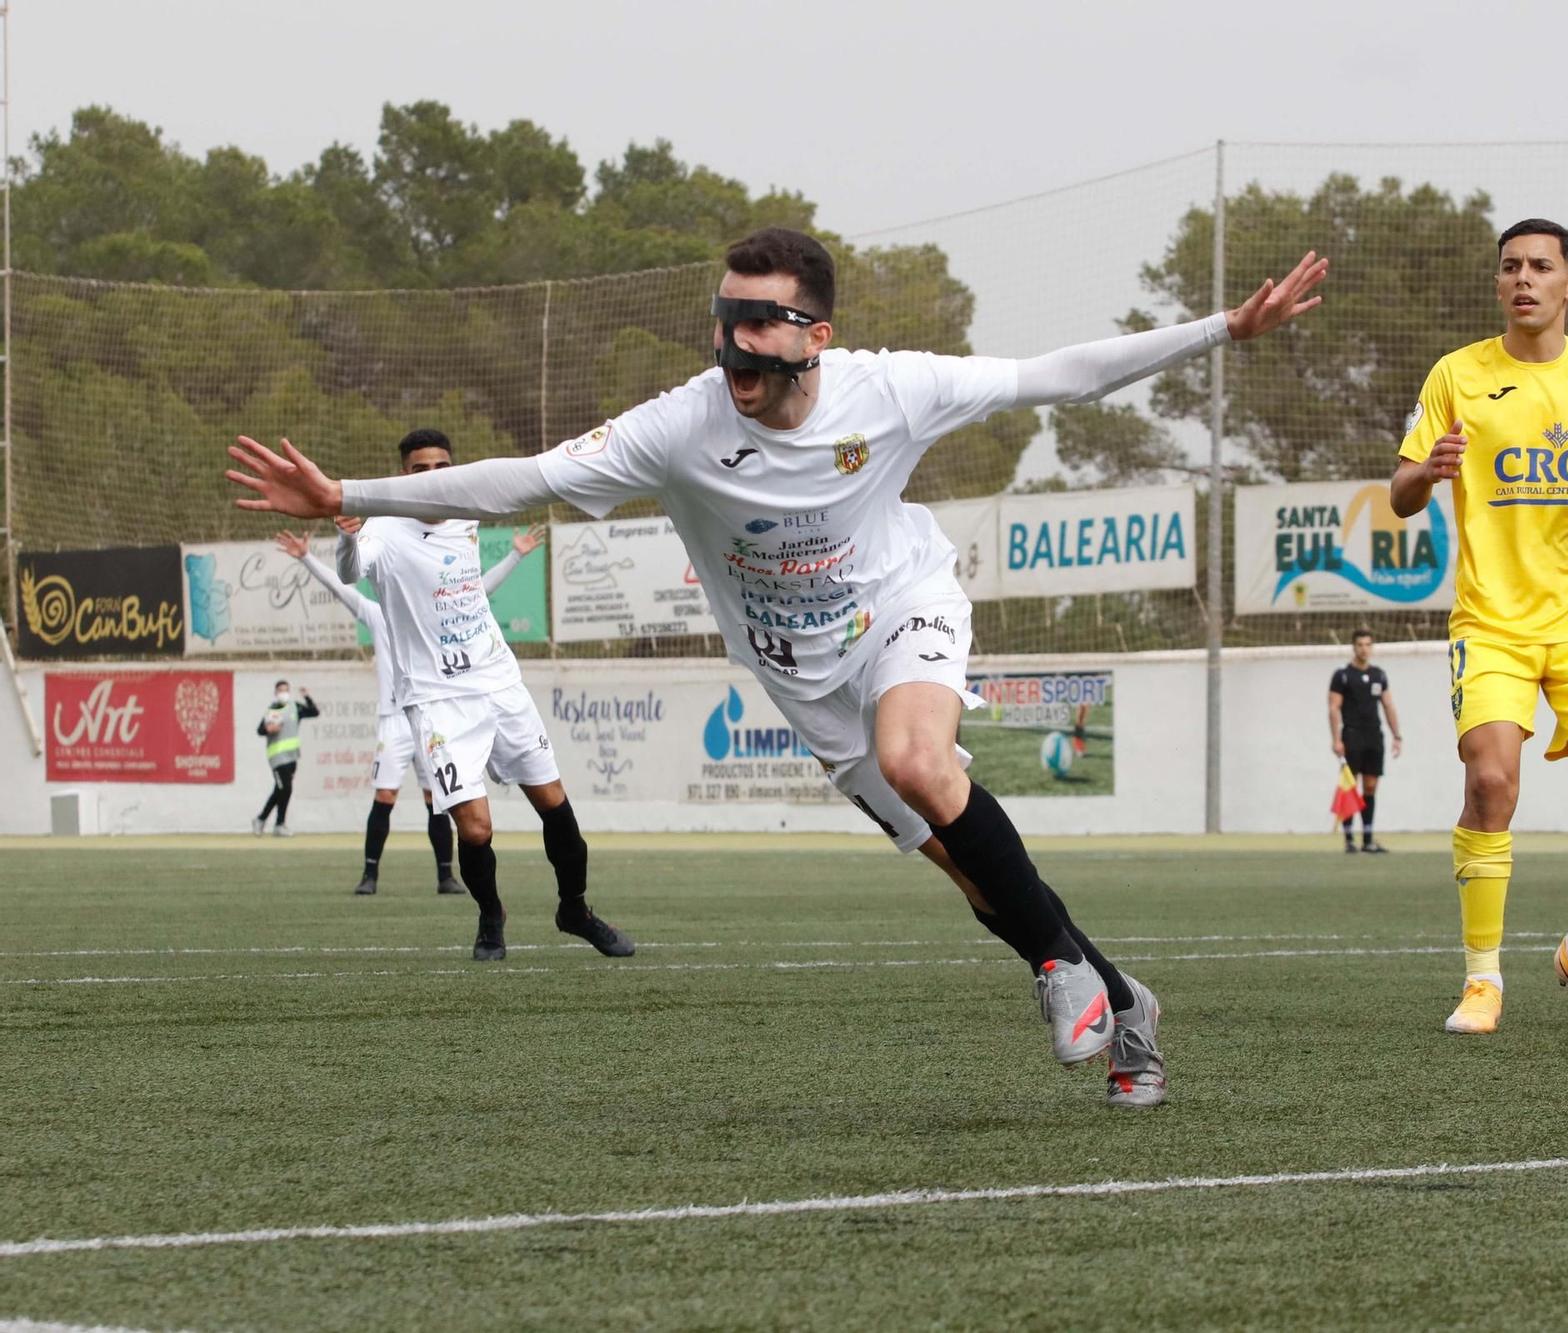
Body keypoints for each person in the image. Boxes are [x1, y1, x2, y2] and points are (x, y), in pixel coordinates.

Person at [227, 228, 1326, 1107]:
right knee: (965, 868)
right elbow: (519, 481)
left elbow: (1061, 377)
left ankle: (1060, 972)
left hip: (902, 609)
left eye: (761, 321)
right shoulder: (679, 427)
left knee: (919, 760)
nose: (735, 343)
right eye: (724, 319)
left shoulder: (891, 388)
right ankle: (1125, 998)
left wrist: (1224, 328)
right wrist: (350, 500)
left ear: (816, 333)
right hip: (801, 679)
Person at [1390, 218, 1568, 1036]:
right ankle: (1483, 978)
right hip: (1493, 621)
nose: (1524, 278)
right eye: (1511, 266)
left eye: (1541, 267)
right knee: (1490, 782)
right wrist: (1428, 472)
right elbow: (1403, 490)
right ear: (1499, 283)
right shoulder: (1456, 375)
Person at [331, 427, 632, 962]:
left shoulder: (467, 507)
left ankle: (576, 910)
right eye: (419, 470)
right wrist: (348, 536)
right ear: (403, 476)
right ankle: (491, 915)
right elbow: (352, 570)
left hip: (498, 682)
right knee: (475, 828)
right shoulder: (382, 527)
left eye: (441, 465)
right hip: (438, 699)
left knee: (554, 804)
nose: (433, 477)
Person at [276, 519, 546, 896]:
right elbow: (341, 586)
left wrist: (516, 554)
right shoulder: (376, 614)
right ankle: (369, 874)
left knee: (436, 800)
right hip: (395, 719)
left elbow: (481, 588)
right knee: (384, 796)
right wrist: (307, 559)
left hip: (434, 715)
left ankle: (444, 875)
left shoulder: (437, 608)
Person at [1327, 628, 1401, 853]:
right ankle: (1349, 839)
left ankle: (1368, 839)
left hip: (1373, 736)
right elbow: (1333, 707)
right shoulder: (1342, 675)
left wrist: (1397, 735)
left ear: (1372, 647)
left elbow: (1388, 705)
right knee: (1350, 785)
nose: (1364, 649)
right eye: (1360, 645)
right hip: (1352, 735)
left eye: (1368, 645)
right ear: (1353, 647)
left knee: (1370, 785)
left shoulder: (1379, 675)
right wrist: (1336, 739)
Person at [252, 679, 318, 836]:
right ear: (276, 693)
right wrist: (269, 729)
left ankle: (261, 819)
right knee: (286, 788)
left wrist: (307, 697)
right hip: (277, 757)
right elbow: (260, 730)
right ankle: (279, 824)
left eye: (286, 690)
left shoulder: (295, 707)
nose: (284, 693)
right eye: (281, 690)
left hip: (292, 756)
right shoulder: (272, 710)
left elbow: (314, 712)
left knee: (280, 790)